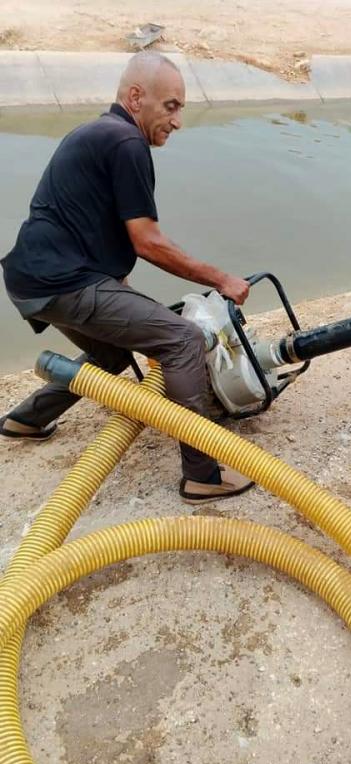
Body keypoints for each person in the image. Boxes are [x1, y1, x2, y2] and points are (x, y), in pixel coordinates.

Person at [0, 52, 253, 503]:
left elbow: (87, 226)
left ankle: (26, 420)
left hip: (33, 279)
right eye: (170, 106)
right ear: (136, 97)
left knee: (112, 357)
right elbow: (147, 242)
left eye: (180, 109)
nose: (177, 122)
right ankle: (202, 474)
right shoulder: (126, 143)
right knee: (182, 340)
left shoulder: (100, 132)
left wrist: (118, 285)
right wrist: (221, 279)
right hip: (65, 281)